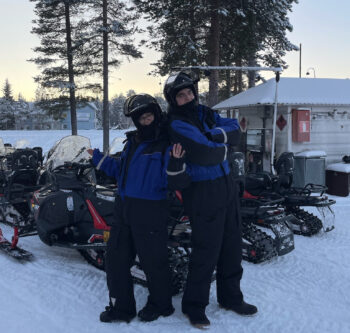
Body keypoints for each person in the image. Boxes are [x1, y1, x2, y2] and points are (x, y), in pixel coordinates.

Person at [164, 72, 258, 328]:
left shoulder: (205, 113)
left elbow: (235, 129)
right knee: (206, 250)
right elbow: (205, 155)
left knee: (231, 245)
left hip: (225, 184)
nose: (187, 97)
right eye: (181, 95)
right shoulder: (175, 123)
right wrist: (222, 142)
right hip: (202, 189)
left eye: (189, 92)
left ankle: (231, 298)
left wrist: (215, 138)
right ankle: (194, 306)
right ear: (174, 100)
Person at [87, 94, 175, 324]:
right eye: (140, 117)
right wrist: (99, 159)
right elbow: (122, 171)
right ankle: (122, 308)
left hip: (151, 208)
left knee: (152, 261)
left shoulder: (166, 142)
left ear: (156, 113)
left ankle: (161, 304)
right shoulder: (133, 142)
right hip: (124, 208)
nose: (146, 120)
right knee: (115, 259)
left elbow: (174, 176)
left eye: (149, 115)